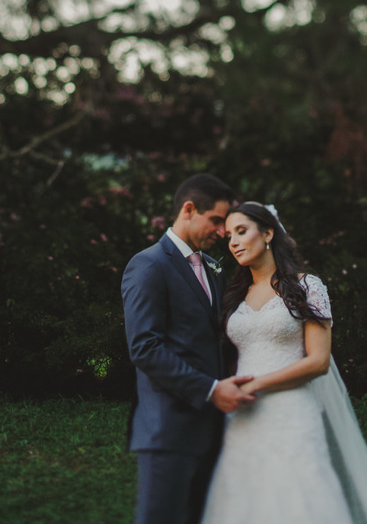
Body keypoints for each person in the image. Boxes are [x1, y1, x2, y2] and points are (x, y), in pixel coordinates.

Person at [202, 202, 367, 524]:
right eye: (229, 236)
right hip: (244, 418)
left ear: (268, 233)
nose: (234, 242)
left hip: (291, 414)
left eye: (241, 231)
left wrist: (256, 384)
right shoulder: (234, 297)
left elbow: (318, 362)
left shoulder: (307, 287)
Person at [121, 174, 257, 524]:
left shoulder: (213, 270)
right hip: (169, 430)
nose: (223, 232)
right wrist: (211, 390)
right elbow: (145, 348)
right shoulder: (149, 265)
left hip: (213, 431)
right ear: (189, 209)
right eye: (216, 221)